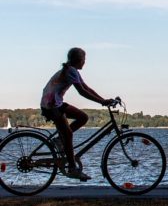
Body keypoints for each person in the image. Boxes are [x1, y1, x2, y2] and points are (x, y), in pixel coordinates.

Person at [40, 47, 116, 181]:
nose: (85, 62)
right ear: (78, 60)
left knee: (83, 117)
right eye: (84, 59)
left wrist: (103, 100)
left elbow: (86, 87)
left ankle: (59, 140)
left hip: (55, 103)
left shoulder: (72, 70)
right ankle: (72, 168)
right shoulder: (70, 70)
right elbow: (82, 92)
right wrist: (101, 102)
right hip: (51, 105)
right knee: (68, 134)